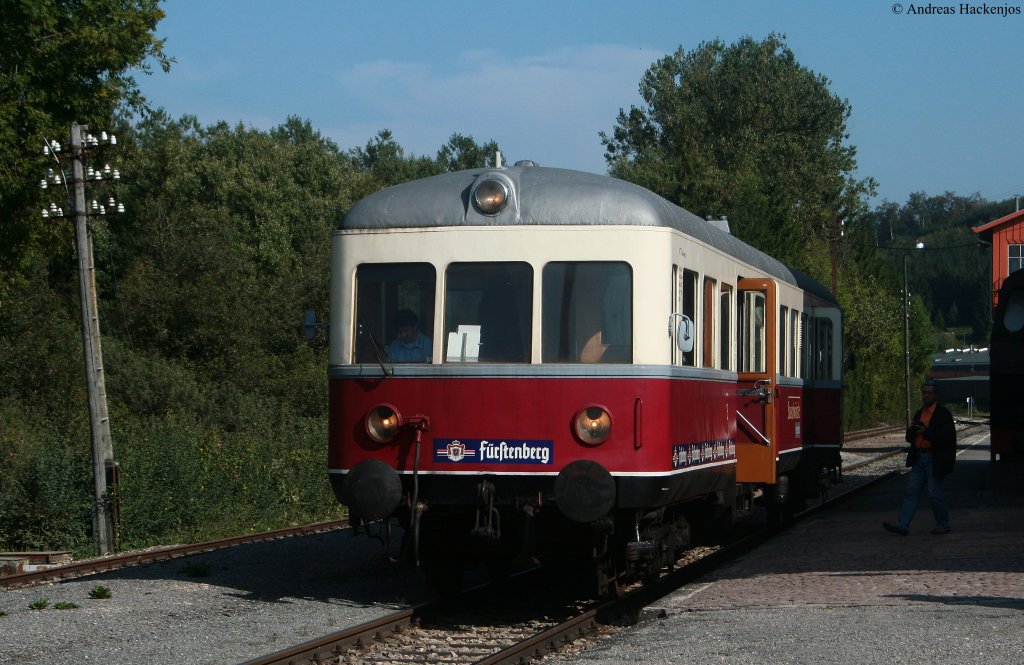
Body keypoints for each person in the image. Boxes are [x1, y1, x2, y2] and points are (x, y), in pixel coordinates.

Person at [883, 381, 957, 536]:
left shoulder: (943, 414)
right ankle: (903, 525)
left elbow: (947, 438)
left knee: (934, 492)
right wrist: (912, 430)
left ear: (936, 395)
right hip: (919, 457)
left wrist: (926, 431)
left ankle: (943, 524)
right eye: (924, 392)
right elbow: (910, 437)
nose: (926, 395)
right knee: (911, 492)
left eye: (929, 393)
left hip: (934, 458)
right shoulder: (919, 413)